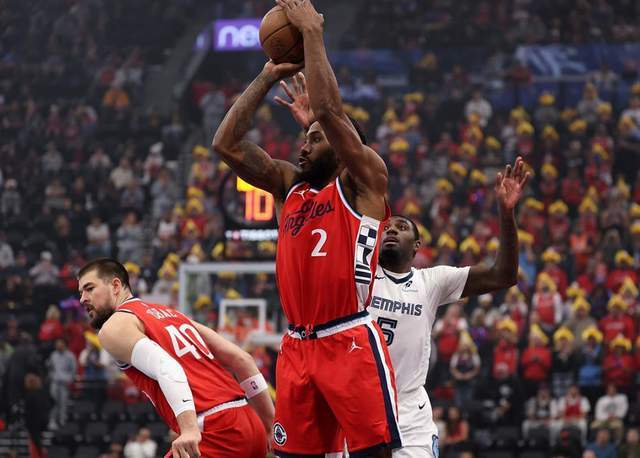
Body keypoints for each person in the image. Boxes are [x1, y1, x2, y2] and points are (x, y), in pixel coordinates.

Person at [213, 0, 399, 455]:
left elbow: (331, 114)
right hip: (296, 346)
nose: (303, 146)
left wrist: (312, 34)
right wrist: (267, 75)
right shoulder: (289, 188)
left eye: (314, 140)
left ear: (342, 146)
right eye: (304, 138)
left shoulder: (363, 182)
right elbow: (226, 143)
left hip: (347, 338)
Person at [366, 158, 529, 457]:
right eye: (386, 228)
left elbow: (504, 275)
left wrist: (506, 214)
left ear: (417, 245)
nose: (391, 231)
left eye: (401, 227)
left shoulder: (431, 281)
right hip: (360, 403)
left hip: (409, 411)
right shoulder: (359, 276)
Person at [77, 259, 273, 458]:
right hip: (249, 421)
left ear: (116, 285)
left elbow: (168, 367)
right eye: (81, 292)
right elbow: (242, 359)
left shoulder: (114, 326)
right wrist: (270, 426)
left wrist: (189, 429)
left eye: (89, 288)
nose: (83, 299)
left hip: (214, 429)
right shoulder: (171, 313)